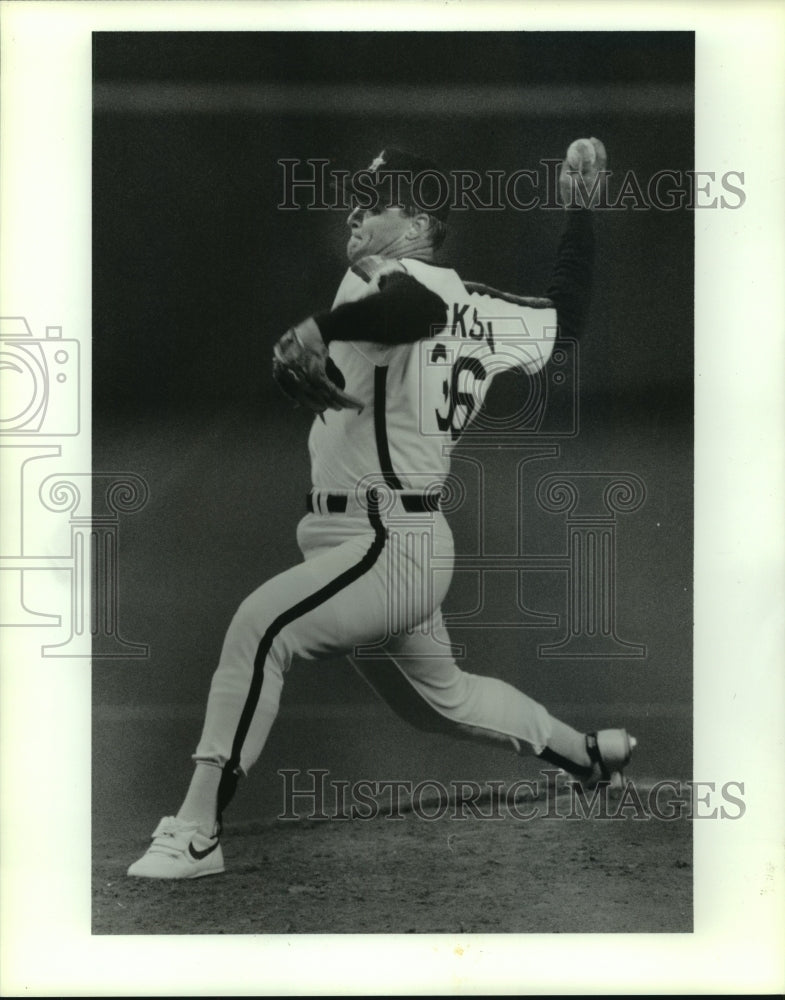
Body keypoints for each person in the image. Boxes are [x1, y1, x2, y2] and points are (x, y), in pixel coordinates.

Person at [128, 140, 636, 880]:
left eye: (381, 197)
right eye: (359, 194)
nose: (358, 208)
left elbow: (414, 306)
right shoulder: (480, 306)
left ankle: (197, 829)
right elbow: (568, 313)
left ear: (421, 221)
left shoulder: (394, 278)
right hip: (385, 538)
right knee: (442, 702)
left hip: (385, 541)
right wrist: (580, 211)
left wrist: (318, 329)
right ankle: (585, 756)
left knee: (261, 627)